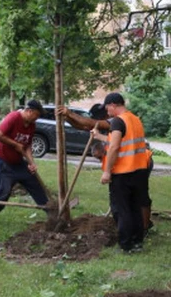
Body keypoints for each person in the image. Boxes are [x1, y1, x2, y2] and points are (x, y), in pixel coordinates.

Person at [58, 103, 154, 233]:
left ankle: (144, 226)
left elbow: (92, 124)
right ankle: (130, 226)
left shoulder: (114, 121)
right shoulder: (105, 125)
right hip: (124, 164)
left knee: (139, 197)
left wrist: (70, 113)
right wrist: (67, 118)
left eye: (97, 119)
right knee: (125, 199)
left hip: (141, 161)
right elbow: (82, 125)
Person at [99, 92, 151, 253]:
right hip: (140, 170)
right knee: (135, 207)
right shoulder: (135, 119)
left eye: (107, 108)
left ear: (113, 105)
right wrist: (100, 136)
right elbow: (125, 142)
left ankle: (125, 244)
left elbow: (114, 147)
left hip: (123, 173)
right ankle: (137, 242)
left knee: (122, 210)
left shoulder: (117, 121)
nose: (107, 112)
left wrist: (107, 171)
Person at [0, 99, 48, 223]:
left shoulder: (32, 125)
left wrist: (31, 163)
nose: (37, 118)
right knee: (4, 191)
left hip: (17, 161)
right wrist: (15, 144)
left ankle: (51, 210)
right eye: (37, 115)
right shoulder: (13, 117)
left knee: (33, 182)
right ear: (29, 111)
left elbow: (27, 146)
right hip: (2, 159)